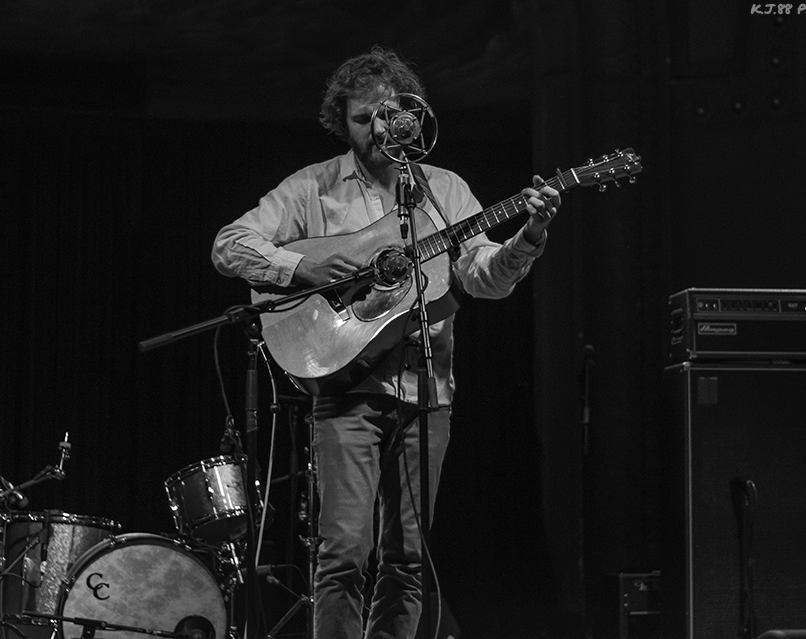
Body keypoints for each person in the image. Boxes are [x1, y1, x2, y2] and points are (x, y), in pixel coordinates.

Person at [211, 46, 560, 639]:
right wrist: (303, 268)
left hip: (428, 392)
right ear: (341, 122)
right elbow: (229, 245)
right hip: (346, 390)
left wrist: (529, 234)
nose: (376, 128)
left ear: (410, 115)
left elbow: (483, 278)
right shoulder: (312, 188)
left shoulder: (443, 190)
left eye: (386, 114)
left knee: (408, 559)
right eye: (361, 118)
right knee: (343, 554)